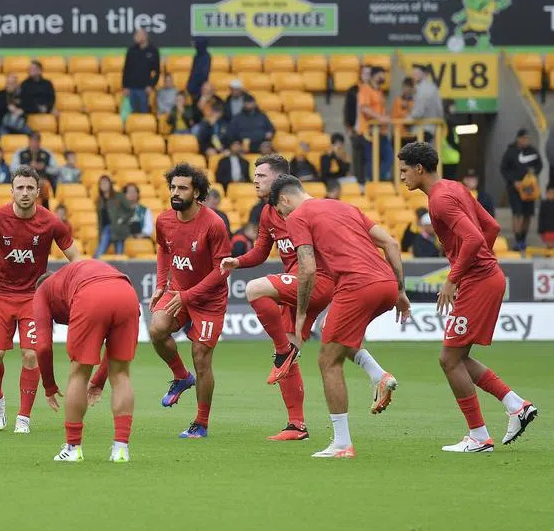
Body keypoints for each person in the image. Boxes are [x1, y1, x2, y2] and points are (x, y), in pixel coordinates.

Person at [397, 142, 538, 451]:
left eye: (404, 170)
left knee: (449, 359)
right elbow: (492, 226)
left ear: (419, 169)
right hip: (486, 277)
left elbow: (475, 237)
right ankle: (517, 406)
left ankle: (478, 436)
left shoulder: (439, 201)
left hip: (479, 281)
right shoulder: (455, 188)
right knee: (457, 357)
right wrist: (475, 262)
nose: (402, 177)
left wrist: (454, 278)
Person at [268, 175, 410, 458]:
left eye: (281, 213)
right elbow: (391, 244)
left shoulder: (297, 217)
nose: (284, 217)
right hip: (386, 285)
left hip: (357, 286)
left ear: (284, 200)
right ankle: (378, 375)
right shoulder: (344, 207)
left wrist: (300, 313)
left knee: (327, 359)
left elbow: (307, 269)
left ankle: (342, 443)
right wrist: (401, 292)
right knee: (332, 331)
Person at [219, 155, 340, 441]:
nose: (255, 181)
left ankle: (283, 349)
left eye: (261, 176)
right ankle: (296, 425)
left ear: (278, 179)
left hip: (316, 281)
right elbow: (261, 252)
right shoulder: (266, 213)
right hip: (296, 287)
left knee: (255, 290)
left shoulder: (310, 208)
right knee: (294, 358)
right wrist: (237, 261)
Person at [0, 166, 80, 433]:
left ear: (38, 192)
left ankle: (23, 418)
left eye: (30, 188)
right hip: (2, 294)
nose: (25, 193)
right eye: (20, 188)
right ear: (12, 191)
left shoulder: (51, 222)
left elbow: (76, 259)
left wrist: (67, 287)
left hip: (34, 297)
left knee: (31, 354)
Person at [133, 164, 230, 439]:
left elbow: (220, 270)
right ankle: (181, 376)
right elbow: (163, 249)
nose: (175, 193)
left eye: (182, 188)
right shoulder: (164, 220)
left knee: (201, 358)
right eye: (173, 187)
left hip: (209, 300)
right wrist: (162, 284)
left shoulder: (214, 224)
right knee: (156, 329)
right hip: (178, 292)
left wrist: (187, 296)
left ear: (197, 192)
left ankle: (200, 423)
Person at [32, 261, 139, 463]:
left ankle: (73, 448)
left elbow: (43, 346)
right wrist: (98, 382)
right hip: (126, 291)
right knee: (122, 374)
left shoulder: (41, 292)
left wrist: (49, 385)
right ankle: (121, 448)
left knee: (79, 373)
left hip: (90, 296)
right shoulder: (71, 275)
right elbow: (112, 351)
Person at [499, 129, 543, 251]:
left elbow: (539, 165)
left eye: (528, 139)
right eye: (524, 138)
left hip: (529, 189)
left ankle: (524, 238)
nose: (527, 141)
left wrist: (533, 174)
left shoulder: (533, 151)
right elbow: (503, 169)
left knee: (528, 214)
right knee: (517, 213)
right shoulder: (511, 151)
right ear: (519, 138)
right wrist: (513, 181)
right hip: (515, 189)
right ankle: (518, 240)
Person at [356, 67, 392, 182]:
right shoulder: (365, 89)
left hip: (381, 132)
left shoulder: (379, 91)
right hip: (369, 132)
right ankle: (373, 183)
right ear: (373, 76)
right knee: (371, 160)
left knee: (389, 157)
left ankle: (379, 180)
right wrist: (380, 118)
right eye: (380, 75)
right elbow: (364, 108)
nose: (383, 78)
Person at [122, 28, 161, 114]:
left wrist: (151, 85)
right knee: (131, 116)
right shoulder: (131, 50)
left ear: (145, 36)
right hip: (130, 89)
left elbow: (157, 71)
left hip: (144, 90)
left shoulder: (153, 51)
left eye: (138, 35)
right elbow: (126, 69)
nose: (135, 37)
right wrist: (125, 86)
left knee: (143, 116)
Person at [409, 64, 444, 141]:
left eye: (416, 74)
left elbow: (418, 112)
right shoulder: (433, 87)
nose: (414, 76)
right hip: (432, 128)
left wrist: (407, 119)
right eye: (413, 74)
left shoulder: (423, 89)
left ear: (424, 74)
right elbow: (440, 110)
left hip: (423, 128)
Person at [391, 77, 416, 147]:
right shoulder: (398, 100)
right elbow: (393, 116)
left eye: (409, 87)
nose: (407, 89)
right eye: (405, 86)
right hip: (398, 134)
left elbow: (415, 115)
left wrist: (408, 107)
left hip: (411, 135)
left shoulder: (415, 101)